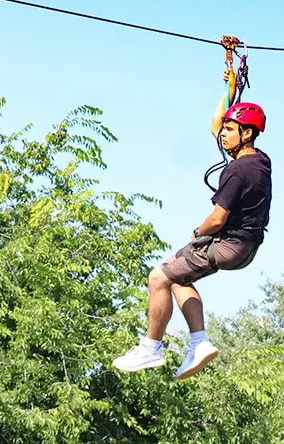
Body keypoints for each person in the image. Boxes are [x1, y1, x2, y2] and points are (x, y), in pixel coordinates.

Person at [112, 101, 271, 380]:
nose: (222, 134)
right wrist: (230, 80)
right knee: (178, 277)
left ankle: (151, 348)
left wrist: (199, 232)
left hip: (227, 244)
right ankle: (198, 343)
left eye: (229, 130)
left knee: (158, 277)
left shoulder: (237, 171)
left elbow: (217, 219)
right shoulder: (259, 161)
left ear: (246, 134)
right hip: (247, 245)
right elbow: (215, 123)